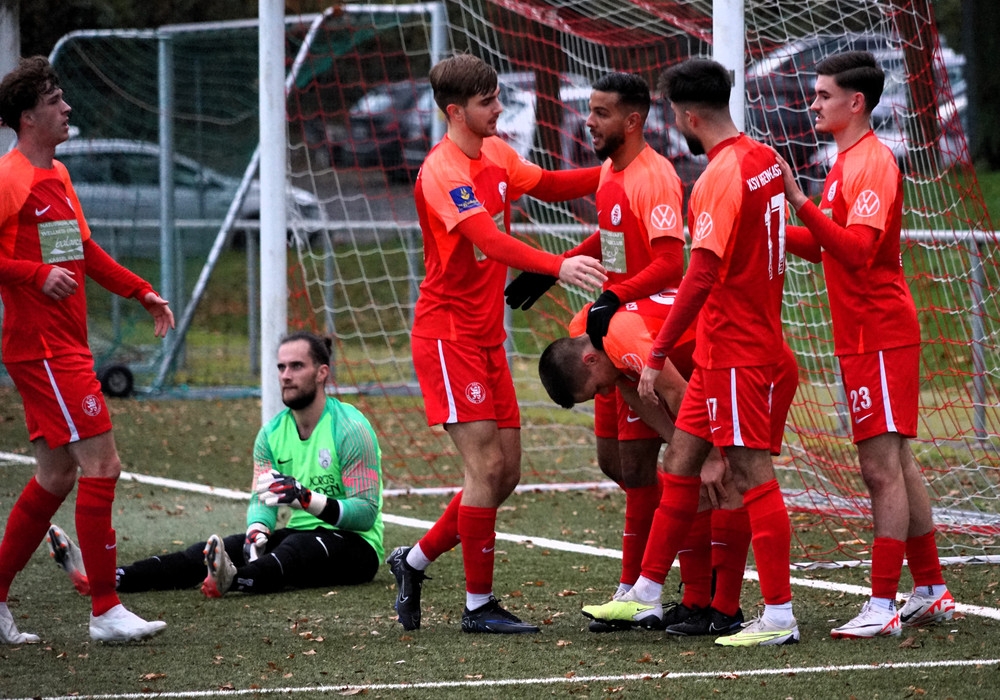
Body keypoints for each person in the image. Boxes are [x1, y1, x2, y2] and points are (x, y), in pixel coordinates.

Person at [580, 58, 801, 647]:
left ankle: (779, 615)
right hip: (724, 347)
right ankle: (647, 592)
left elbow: (697, 275)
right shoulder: (764, 159)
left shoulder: (718, 177)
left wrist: (654, 356)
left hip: (737, 349)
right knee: (678, 462)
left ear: (686, 116)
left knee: (749, 475)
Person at [386, 53, 607, 635]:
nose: (500, 109)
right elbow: (488, 239)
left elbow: (550, 185)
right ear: (456, 112)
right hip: (447, 337)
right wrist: (558, 265)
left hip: (486, 337)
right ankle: (478, 607)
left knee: (504, 474)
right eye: (488, 102)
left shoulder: (498, 153)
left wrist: (618, 168)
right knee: (484, 466)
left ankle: (413, 562)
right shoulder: (442, 171)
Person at [507, 72, 693, 633]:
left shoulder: (655, 177)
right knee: (614, 463)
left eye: (600, 112)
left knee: (649, 467)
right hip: (611, 328)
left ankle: (648, 587)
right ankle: (649, 582)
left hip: (640, 334)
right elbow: (612, 242)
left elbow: (671, 264)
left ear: (633, 121)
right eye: (589, 110)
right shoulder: (612, 171)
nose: (587, 121)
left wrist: (614, 296)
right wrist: (556, 267)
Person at [776, 51, 954, 638]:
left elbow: (856, 251)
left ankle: (881, 605)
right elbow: (825, 245)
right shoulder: (844, 162)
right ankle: (931, 588)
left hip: (880, 333)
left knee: (879, 469)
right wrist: (774, 226)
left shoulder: (872, 161)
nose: (814, 104)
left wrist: (798, 200)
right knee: (896, 462)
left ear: (856, 102)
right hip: (862, 336)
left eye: (823, 95)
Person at [0, 56, 174, 645]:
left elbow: (83, 251)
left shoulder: (58, 174)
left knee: (55, 476)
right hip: (44, 350)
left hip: (61, 347)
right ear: (28, 117)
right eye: (55, 100)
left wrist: (142, 292)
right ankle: (105, 610)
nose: (67, 107)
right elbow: (25, 264)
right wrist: (32, 274)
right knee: (103, 465)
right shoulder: (9, 178)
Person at [48, 332, 383, 599]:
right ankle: (108, 577)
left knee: (296, 548)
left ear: (322, 373)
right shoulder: (271, 434)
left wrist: (305, 498)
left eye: (297, 366)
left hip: (357, 547)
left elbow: (365, 513)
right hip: (302, 535)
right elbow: (262, 499)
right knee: (211, 550)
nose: (285, 376)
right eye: (281, 367)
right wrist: (257, 530)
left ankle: (234, 580)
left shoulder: (350, 428)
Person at [539, 293, 757, 637]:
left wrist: (709, 456)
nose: (603, 395)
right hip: (705, 366)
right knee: (683, 467)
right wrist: (681, 443)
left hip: (740, 352)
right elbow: (631, 390)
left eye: (596, 388)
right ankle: (698, 602)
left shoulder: (621, 339)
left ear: (590, 359)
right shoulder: (587, 330)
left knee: (733, 478)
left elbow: (677, 392)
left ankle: (735, 608)